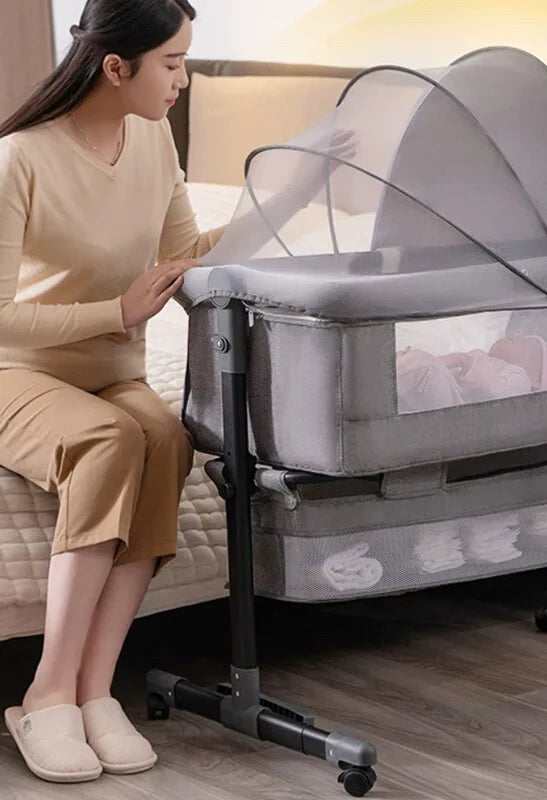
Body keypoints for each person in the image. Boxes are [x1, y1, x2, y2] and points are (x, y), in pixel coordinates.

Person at [0, 0, 356, 784]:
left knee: (167, 439)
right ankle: (45, 692)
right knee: (107, 440)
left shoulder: (153, 138)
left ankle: (95, 689)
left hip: (111, 372)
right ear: (115, 66)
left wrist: (291, 195)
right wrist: (115, 311)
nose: (184, 79)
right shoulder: (21, 157)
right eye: (172, 62)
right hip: (17, 372)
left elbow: (187, 253)